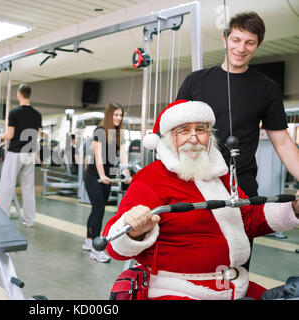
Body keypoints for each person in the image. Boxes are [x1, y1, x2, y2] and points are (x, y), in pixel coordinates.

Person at [102, 100, 299, 300]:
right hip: (174, 290)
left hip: (231, 287)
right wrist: (132, 230)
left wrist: (294, 208)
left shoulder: (220, 175)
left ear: (210, 136)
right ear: (170, 137)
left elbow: (247, 218)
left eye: (201, 129)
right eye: (184, 130)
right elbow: (112, 246)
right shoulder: (150, 178)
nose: (194, 138)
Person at [176, 11, 299, 198]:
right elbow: (173, 134)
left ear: (258, 45)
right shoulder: (195, 81)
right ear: (225, 39)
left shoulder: (267, 88)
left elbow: (282, 143)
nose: (241, 48)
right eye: (236, 40)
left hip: (240, 186)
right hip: (194, 183)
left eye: (249, 42)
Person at [82, 103, 131, 263]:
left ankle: (89, 241)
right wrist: (102, 175)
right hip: (94, 175)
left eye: (120, 115)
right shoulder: (100, 131)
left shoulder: (119, 134)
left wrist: (127, 173)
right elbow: (98, 156)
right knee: (99, 209)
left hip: (107, 176)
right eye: (115, 115)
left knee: (96, 209)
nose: (118, 118)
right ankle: (96, 250)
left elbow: (123, 155)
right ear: (109, 115)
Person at [0, 83, 42, 227]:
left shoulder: (14, 112)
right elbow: (37, 134)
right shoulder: (37, 114)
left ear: (19, 94)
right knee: (28, 187)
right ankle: (29, 220)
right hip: (29, 153)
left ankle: (3, 218)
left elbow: (10, 135)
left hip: (15, 153)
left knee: (7, 185)